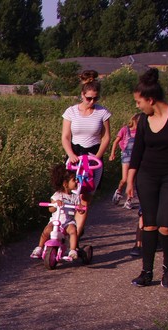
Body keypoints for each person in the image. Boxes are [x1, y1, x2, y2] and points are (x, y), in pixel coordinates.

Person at [126, 69, 168, 289]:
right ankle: (146, 272)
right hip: (147, 177)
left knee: (166, 225)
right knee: (149, 225)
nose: (137, 106)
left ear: (150, 99)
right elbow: (137, 152)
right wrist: (129, 180)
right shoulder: (144, 121)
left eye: (139, 102)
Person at [61, 69, 111, 237]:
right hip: (75, 156)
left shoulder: (102, 113)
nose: (91, 102)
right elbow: (65, 137)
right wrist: (70, 154)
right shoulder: (71, 111)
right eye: (88, 98)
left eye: (95, 98)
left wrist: (98, 156)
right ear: (82, 95)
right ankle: (65, 228)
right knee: (69, 194)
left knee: (85, 198)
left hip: (93, 157)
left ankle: (76, 236)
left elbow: (106, 137)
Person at [30, 164, 80, 261]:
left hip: (68, 222)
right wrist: (55, 204)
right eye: (74, 180)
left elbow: (79, 210)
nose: (77, 181)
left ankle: (72, 250)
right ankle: (39, 248)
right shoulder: (57, 195)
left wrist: (80, 208)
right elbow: (51, 209)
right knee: (47, 230)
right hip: (55, 221)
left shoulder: (75, 197)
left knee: (73, 231)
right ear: (65, 184)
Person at [109, 113, 141, 208]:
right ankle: (118, 191)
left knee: (132, 180)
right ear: (134, 121)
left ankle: (128, 200)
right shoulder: (125, 130)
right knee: (124, 179)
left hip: (136, 156)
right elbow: (116, 142)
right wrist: (112, 153)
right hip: (126, 155)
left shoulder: (141, 131)